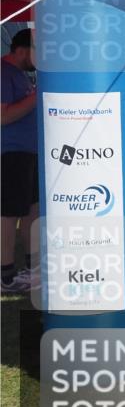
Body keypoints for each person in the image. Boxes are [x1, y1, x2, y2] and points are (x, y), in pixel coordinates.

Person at [1, 29, 37, 293]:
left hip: (27, 153)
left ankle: (33, 267)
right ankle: (5, 275)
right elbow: (3, 116)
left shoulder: (20, 74)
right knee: (9, 214)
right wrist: (36, 95)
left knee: (32, 211)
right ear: (22, 50)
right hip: (11, 153)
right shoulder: (3, 73)